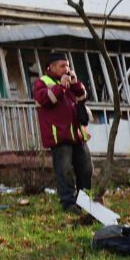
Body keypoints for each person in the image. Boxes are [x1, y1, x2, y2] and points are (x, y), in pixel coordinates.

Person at [33, 53, 92, 213]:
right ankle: (68, 203)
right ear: (51, 67)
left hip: (77, 134)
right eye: (62, 66)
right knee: (64, 171)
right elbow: (45, 100)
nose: (66, 69)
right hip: (59, 135)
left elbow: (82, 97)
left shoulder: (69, 82)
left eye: (67, 65)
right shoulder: (42, 82)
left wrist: (75, 84)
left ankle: (85, 202)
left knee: (86, 168)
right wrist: (60, 86)